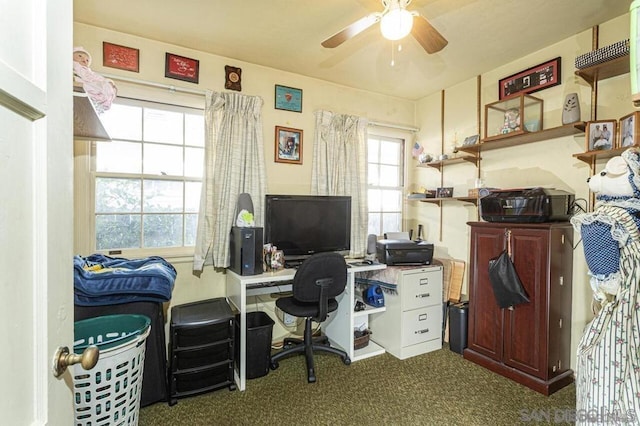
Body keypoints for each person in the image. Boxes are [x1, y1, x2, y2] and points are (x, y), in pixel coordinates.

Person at [73, 46, 117, 113]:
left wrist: (108, 82)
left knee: (106, 87)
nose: (84, 59)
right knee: (102, 87)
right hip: (83, 82)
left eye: (87, 60)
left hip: (90, 85)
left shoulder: (89, 71)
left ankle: (101, 99)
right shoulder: (74, 65)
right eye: (80, 56)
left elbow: (97, 78)